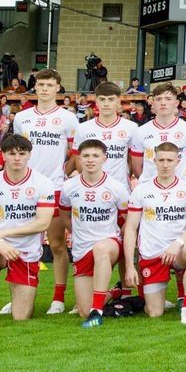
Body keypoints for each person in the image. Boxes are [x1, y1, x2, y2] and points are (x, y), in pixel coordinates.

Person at [8, 68, 78, 316]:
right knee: (21, 245)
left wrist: (63, 171)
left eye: (50, 84)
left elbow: (75, 153)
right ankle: (17, 295)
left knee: (57, 244)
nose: (45, 89)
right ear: (35, 87)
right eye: (41, 84)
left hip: (55, 187)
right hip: (26, 189)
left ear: (58, 88)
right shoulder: (22, 118)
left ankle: (58, 298)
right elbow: (16, 152)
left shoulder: (69, 118)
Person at [0, 134, 55, 332]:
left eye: (22, 153)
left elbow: (42, 223)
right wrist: (0, 242)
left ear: (29, 155)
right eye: (12, 153)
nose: (17, 158)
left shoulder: (42, 183)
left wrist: (4, 232)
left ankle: (16, 297)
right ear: (3, 155)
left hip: (27, 252)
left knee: (21, 317)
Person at [123, 143, 186, 323]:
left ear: (178, 161)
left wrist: (176, 244)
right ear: (154, 161)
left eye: (170, 160)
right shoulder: (141, 190)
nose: (165, 164)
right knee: (155, 312)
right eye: (161, 160)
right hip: (152, 254)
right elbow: (131, 229)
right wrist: (131, 266)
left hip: (177, 251)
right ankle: (140, 296)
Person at [59, 139, 128, 326]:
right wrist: (75, 232)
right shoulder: (69, 187)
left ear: (104, 159)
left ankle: (97, 312)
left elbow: (127, 220)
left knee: (101, 248)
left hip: (109, 243)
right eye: (86, 156)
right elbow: (65, 215)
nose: (91, 160)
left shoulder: (116, 187)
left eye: (95, 156)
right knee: (83, 310)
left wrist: (120, 239)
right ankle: (115, 292)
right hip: (82, 249)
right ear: (79, 159)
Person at [130, 82, 186, 185]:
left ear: (176, 103)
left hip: (179, 191)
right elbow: (137, 169)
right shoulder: (141, 131)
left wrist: (181, 186)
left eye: (168, 99)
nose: (163, 103)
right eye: (159, 99)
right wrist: (150, 186)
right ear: (153, 103)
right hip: (149, 192)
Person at [73, 82, 138, 185]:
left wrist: (124, 178)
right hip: (91, 187)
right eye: (102, 99)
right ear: (97, 102)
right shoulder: (83, 128)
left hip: (121, 188)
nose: (106, 104)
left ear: (118, 102)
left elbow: (132, 159)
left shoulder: (132, 127)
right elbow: (78, 160)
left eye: (111, 99)